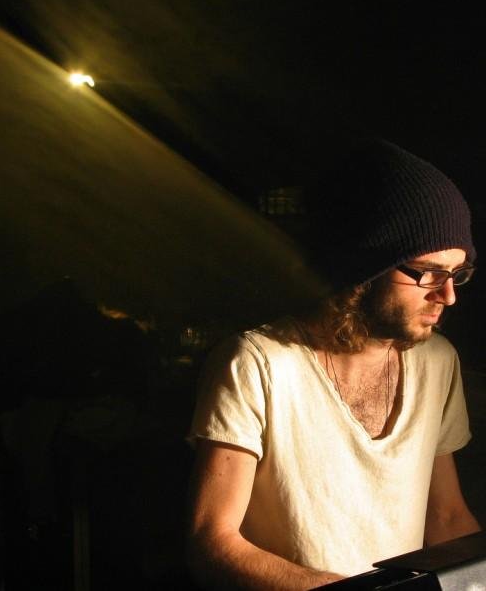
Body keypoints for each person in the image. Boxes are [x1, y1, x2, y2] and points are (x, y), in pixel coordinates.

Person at [185, 138, 482, 589]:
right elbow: (212, 542)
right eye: (428, 272)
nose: (448, 295)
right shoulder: (258, 363)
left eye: (458, 274)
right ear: (364, 269)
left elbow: (446, 516)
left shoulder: (437, 361)